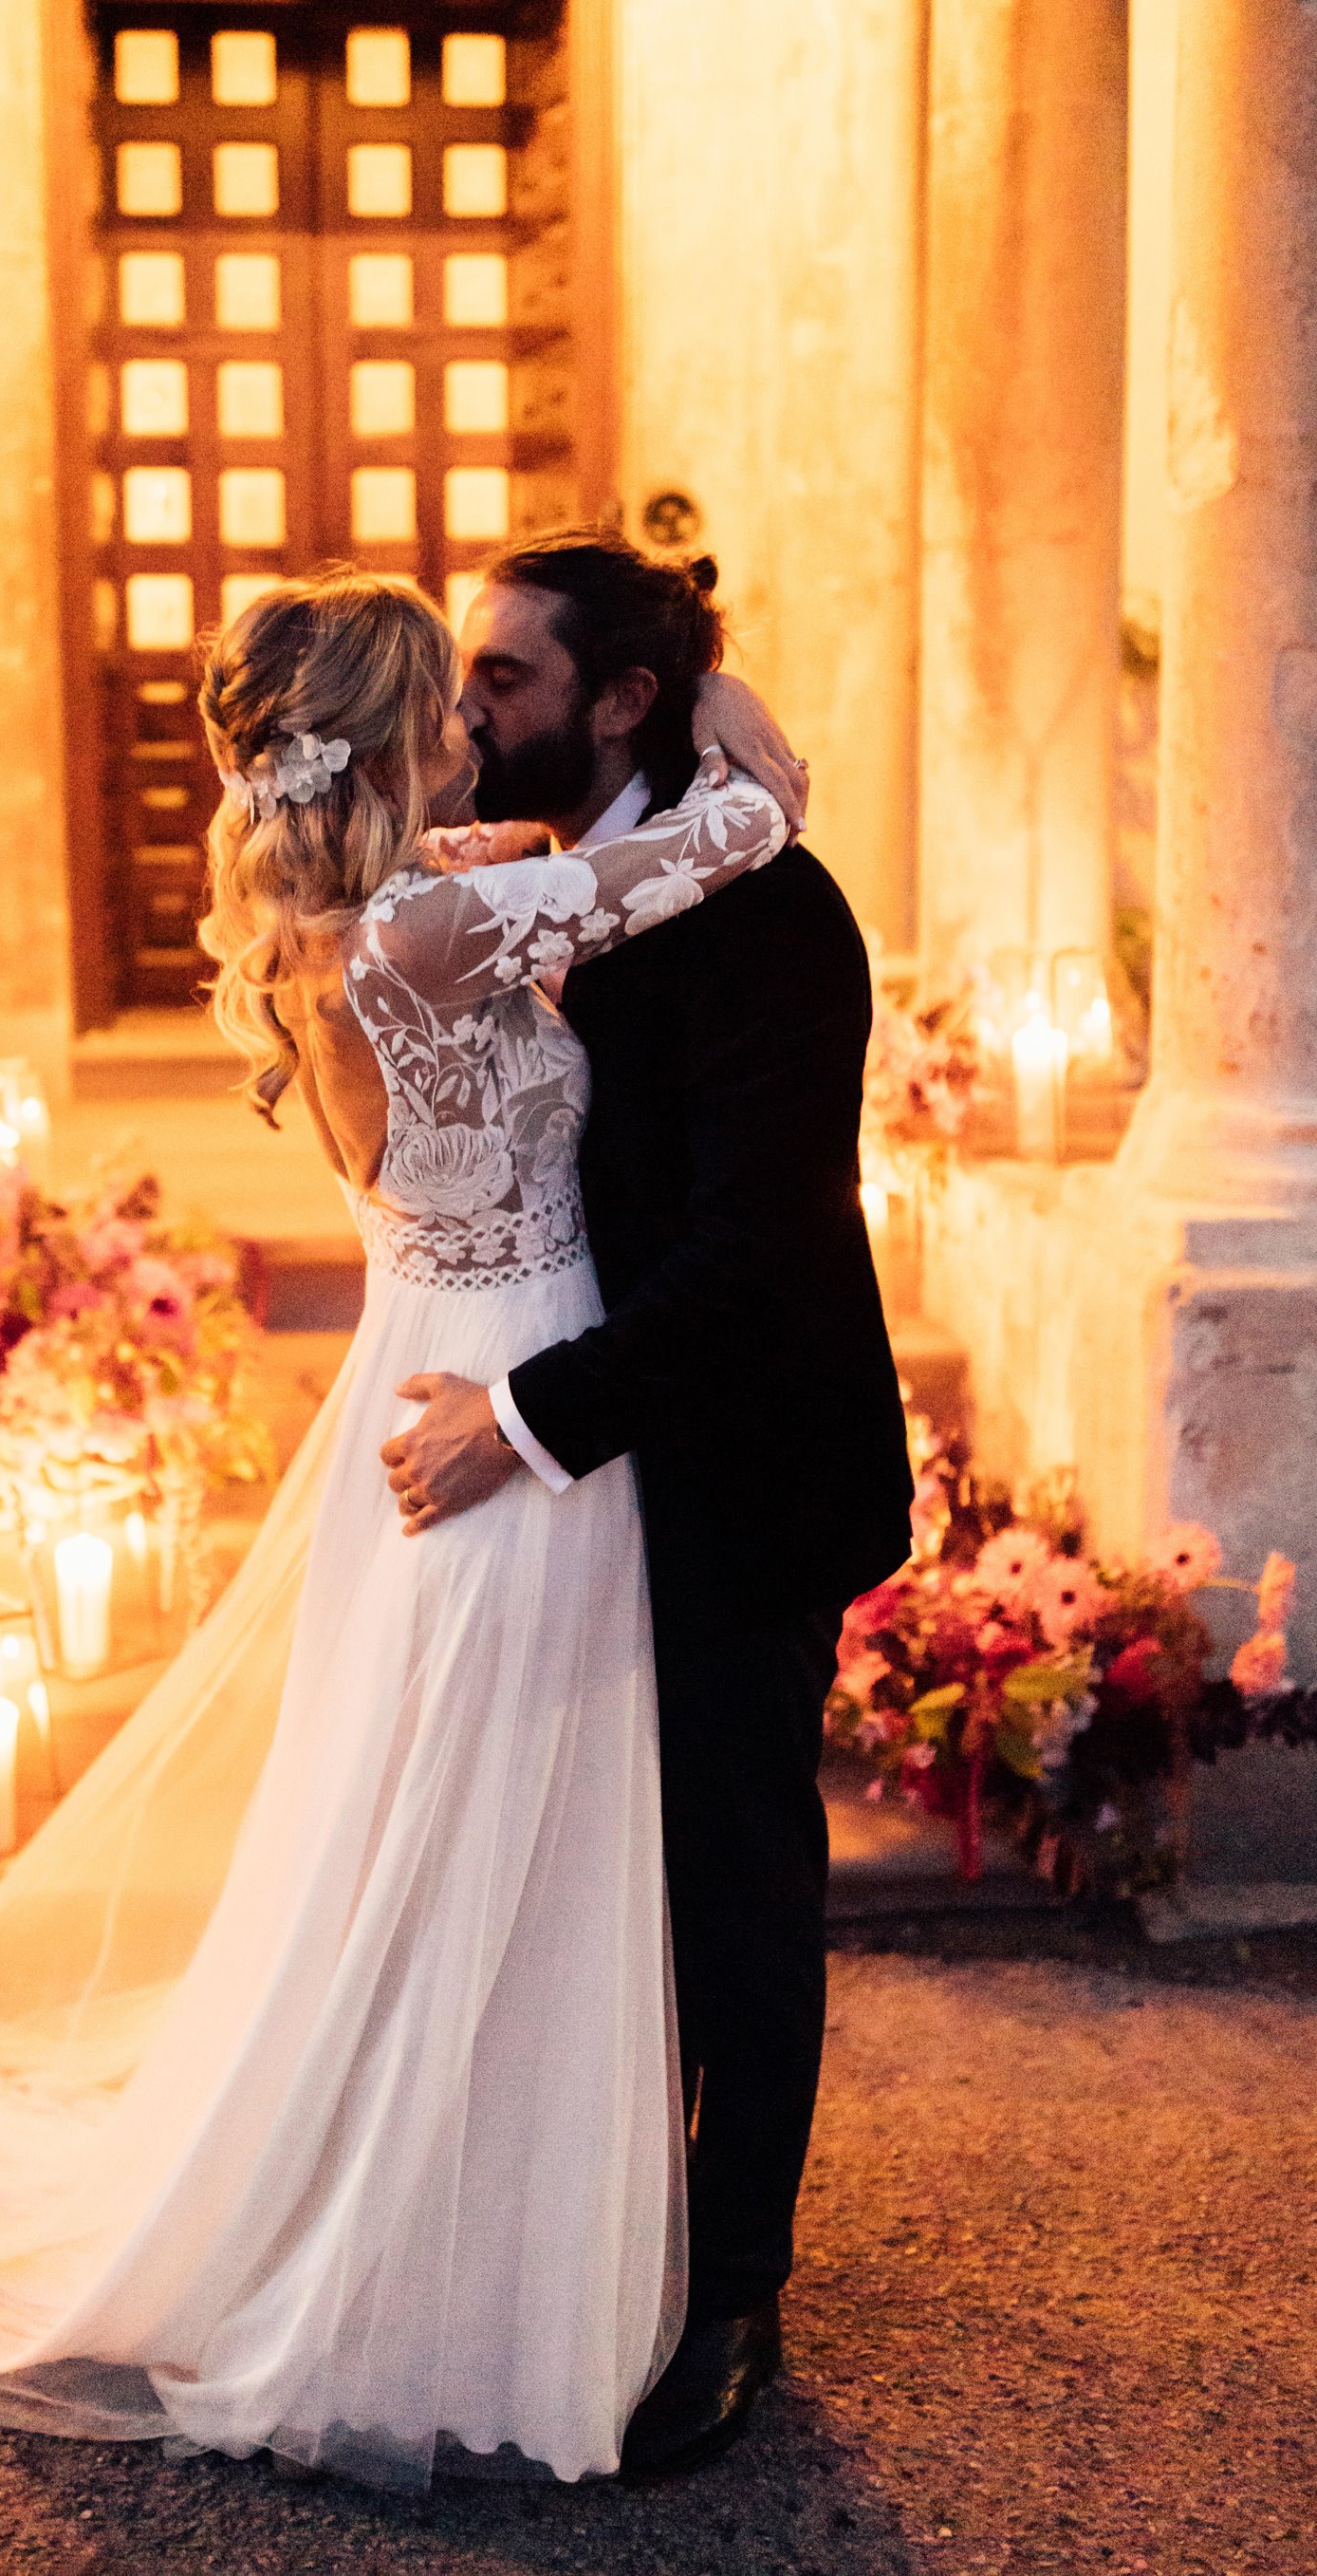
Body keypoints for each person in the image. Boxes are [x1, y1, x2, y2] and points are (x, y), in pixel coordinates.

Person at [0, 567, 806, 2489]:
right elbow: (701, 857)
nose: (477, 727)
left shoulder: (338, 927)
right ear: (398, 726)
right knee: (494, 1802)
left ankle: (461, 2204)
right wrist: (755, 774)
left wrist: (530, 831)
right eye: (454, 697)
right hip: (500, 1382)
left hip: (433, 1344)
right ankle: (447, 2262)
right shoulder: (432, 927)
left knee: (436, 1800)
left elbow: (518, 871)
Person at [380, 529, 913, 2480]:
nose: (468, 712)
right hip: (574, 1481)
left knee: (737, 1896)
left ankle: (736, 2292)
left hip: (733, 1473)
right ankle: (581, 2236)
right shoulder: (537, 874)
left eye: (505, 677)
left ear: (620, 699)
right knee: (576, 1879)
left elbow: (758, 1253)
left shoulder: (778, 915)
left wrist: (520, 1415)